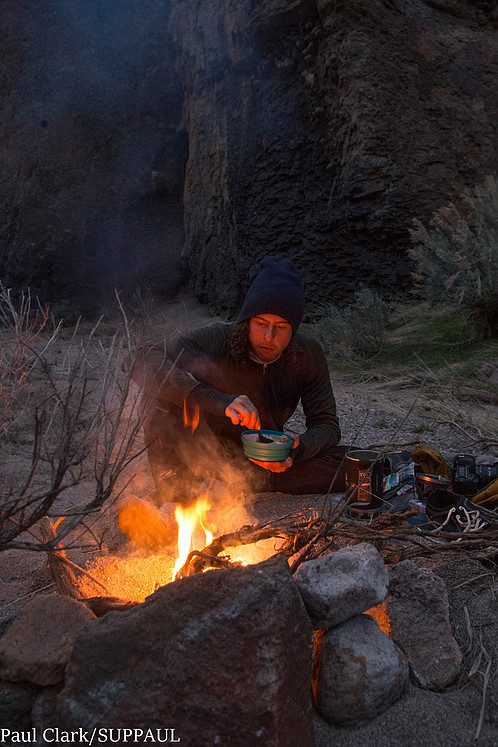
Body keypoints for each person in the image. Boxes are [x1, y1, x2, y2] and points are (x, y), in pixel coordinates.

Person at [134, 257, 350, 503]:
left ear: (294, 329)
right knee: (161, 387)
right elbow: (142, 358)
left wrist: (296, 450)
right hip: (198, 455)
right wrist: (220, 401)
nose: (269, 337)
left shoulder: (307, 355)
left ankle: (238, 482)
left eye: (281, 327)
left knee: (358, 464)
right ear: (247, 322)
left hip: (257, 460)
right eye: (260, 324)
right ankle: (175, 485)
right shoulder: (218, 339)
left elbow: (327, 425)